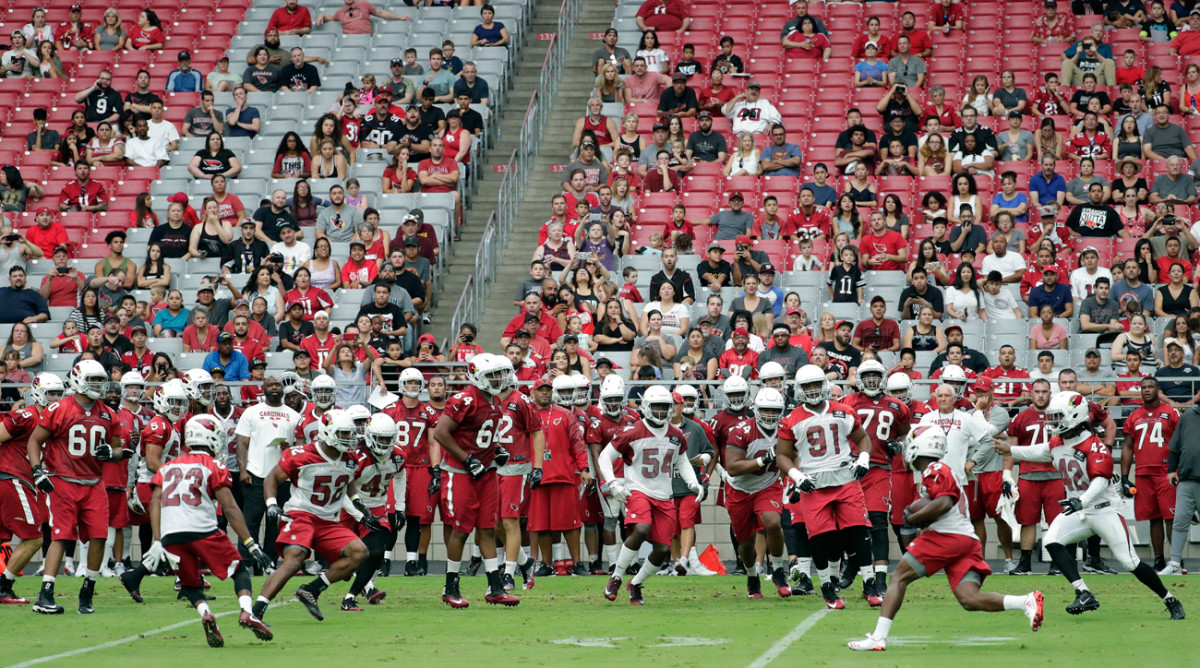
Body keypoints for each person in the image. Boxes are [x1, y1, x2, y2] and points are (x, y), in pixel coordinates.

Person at [848, 426, 1044, 651]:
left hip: (947, 536)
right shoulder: (939, 470)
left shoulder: (936, 469)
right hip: (965, 540)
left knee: (899, 578)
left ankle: (878, 637)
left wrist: (914, 519)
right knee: (969, 599)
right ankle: (1025, 601)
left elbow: (944, 502)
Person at [997, 391, 1184, 619]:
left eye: (1058, 417)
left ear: (1074, 415)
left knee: (1130, 562)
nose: (1053, 422)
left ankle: (1171, 600)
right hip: (1080, 508)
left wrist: (1081, 500)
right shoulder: (1059, 441)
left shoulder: (1093, 445)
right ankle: (1083, 592)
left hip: (1103, 509)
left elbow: (1100, 481)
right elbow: (1040, 451)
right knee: (1051, 541)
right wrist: (1011, 450)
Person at [26, 360, 124, 614]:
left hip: (94, 483)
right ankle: (45, 592)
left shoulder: (108, 413)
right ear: (79, 380)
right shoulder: (60, 408)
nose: (98, 386)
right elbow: (34, 441)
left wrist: (111, 453)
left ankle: (88, 588)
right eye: (93, 380)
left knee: (100, 536)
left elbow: (118, 449)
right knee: (61, 535)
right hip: (63, 481)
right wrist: (38, 471)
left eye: (100, 381)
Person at [775, 365, 874, 609]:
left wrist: (863, 458)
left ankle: (871, 583)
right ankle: (827, 587)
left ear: (825, 385)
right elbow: (782, 456)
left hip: (845, 477)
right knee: (821, 538)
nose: (812, 390)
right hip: (813, 483)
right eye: (807, 386)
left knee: (859, 531)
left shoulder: (844, 411)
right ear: (799, 389)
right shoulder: (791, 419)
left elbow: (862, 438)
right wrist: (797, 476)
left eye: (816, 384)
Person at [428, 354, 520, 608]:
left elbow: (484, 435)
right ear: (476, 374)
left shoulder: (494, 400)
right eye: (492, 375)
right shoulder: (463, 399)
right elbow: (441, 434)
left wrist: (497, 449)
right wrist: (467, 459)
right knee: (461, 529)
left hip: (486, 472)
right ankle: (451, 586)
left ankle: (495, 587)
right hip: (461, 473)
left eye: (499, 374)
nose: (498, 379)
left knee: (488, 529)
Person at [599, 385, 703, 605]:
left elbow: (682, 459)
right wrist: (613, 484)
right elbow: (604, 457)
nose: (660, 411)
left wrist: (692, 482)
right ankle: (616, 576)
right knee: (642, 528)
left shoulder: (675, 435)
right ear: (646, 407)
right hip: (638, 490)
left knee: (662, 549)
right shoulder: (633, 431)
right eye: (655, 406)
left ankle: (635, 583)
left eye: (664, 406)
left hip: (665, 495)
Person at [314, 0, 410, 34]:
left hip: (365, 37)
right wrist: (321, 15)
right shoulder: (340, 11)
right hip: (349, 40)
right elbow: (331, 18)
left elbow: (381, 13)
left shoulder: (364, 4)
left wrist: (399, 17)